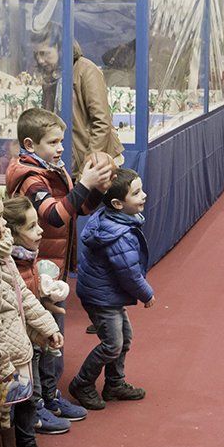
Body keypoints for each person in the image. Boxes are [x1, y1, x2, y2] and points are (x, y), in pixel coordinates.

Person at [5, 108, 111, 428]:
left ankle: (50, 395)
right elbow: (51, 215)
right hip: (33, 271)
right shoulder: (28, 176)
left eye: (61, 140)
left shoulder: (52, 167)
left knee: (53, 339)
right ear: (29, 143)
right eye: (53, 142)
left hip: (54, 268)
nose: (61, 147)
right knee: (40, 342)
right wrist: (85, 183)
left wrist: (98, 187)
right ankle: (35, 404)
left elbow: (77, 208)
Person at [0, 159, 63, 447]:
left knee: (19, 406)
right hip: (7, 353)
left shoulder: (1, 252)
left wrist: (48, 326)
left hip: (17, 349)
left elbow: (23, 298)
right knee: (0, 416)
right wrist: (0, 358)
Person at [68, 168, 156, 410]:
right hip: (101, 297)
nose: (144, 195)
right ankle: (82, 383)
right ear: (117, 203)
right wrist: (146, 294)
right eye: (137, 193)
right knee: (112, 344)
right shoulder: (118, 236)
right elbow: (128, 273)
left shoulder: (115, 219)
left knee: (124, 338)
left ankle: (115, 383)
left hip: (105, 293)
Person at [3, 195, 86, 436]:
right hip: (22, 337)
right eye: (31, 226)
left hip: (34, 330)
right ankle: (37, 411)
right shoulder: (12, 263)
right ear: (13, 233)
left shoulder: (28, 255)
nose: (40, 231)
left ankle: (47, 400)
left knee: (44, 364)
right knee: (31, 380)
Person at [71, 40, 125, 180]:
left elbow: (101, 121)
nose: (41, 60)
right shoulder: (54, 74)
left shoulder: (86, 69)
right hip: (73, 160)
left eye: (44, 53)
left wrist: (88, 166)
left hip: (96, 161)